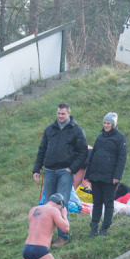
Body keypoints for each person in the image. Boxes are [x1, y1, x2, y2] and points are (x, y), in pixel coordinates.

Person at [32, 103, 88, 248]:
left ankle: (63, 236)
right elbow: (42, 149)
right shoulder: (49, 129)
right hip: (49, 171)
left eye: (63, 114)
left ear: (69, 114)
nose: (60, 116)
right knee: (48, 205)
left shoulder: (76, 131)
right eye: (58, 113)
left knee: (62, 204)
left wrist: (72, 168)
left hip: (65, 172)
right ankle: (46, 235)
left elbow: (83, 152)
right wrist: (37, 169)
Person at [84, 113, 127, 238]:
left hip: (110, 178)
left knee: (108, 203)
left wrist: (117, 176)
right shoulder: (99, 137)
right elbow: (92, 157)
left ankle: (105, 228)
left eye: (108, 123)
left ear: (113, 125)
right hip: (96, 176)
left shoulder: (120, 138)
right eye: (104, 123)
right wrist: (88, 175)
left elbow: (122, 159)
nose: (106, 125)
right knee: (96, 202)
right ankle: (94, 227)